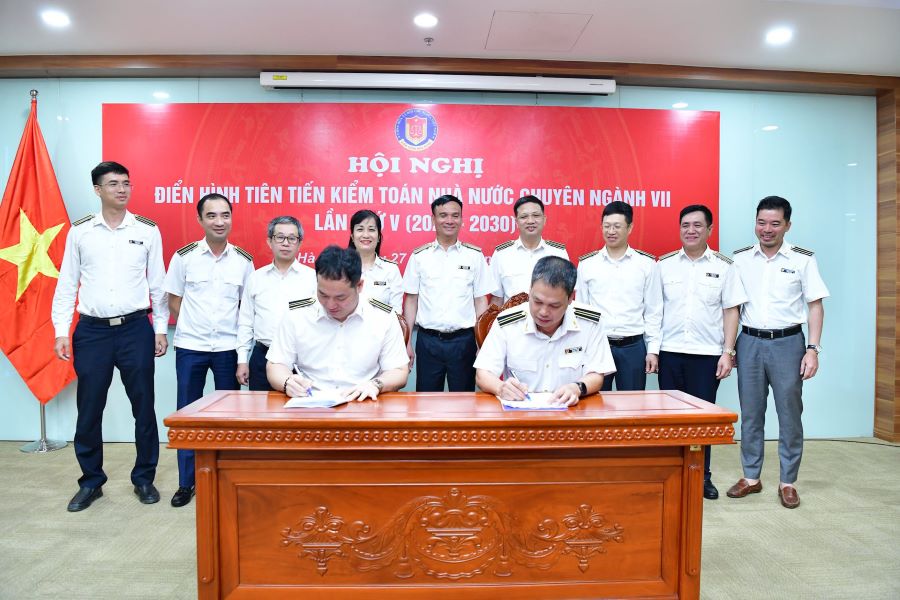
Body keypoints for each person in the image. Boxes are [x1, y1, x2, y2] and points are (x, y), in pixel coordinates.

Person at [51, 161, 169, 512]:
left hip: (136, 329)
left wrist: (160, 328)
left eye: (126, 183)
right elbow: (66, 284)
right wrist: (61, 331)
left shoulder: (147, 230)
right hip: (92, 332)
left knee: (143, 407)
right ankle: (91, 482)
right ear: (97, 190)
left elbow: (158, 284)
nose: (122, 189)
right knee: (89, 409)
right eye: (114, 183)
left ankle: (143, 478)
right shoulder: (81, 232)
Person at [726, 196, 829, 509]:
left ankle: (788, 482)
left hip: (788, 344)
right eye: (761, 222)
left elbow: (815, 306)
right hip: (749, 342)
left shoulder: (803, 260)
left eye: (774, 223)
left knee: (789, 414)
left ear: (787, 225)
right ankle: (751, 477)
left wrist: (812, 349)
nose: (766, 229)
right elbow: (733, 308)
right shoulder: (740, 259)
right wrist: (728, 349)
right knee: (751, 413)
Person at [164, 193, 254, 507]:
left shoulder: (243, 261)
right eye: (212, 215)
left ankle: (226, 479)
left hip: (228, 347)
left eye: (225, 215)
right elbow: (173, 299)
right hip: (191, 346)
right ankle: (186, 482)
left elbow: (247, 309)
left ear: (231, 218)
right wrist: (194, 325)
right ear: (200, 219)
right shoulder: (184, 257)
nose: (219, 221)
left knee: (229, 416)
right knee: (188, 414)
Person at [656, 204, 747, 500]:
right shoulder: (664, 265)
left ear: (709, 230)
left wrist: (727, 352)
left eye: (697, 225)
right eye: (685, 225)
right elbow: (655, 311)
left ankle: (701, 477)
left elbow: (731, 311)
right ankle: (672, 475)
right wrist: (654, 350)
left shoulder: (725, 266)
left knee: (703, 420)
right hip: (670, 352)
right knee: (670, 418)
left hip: (707, 355)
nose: (691, 230)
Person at [266, 245, 409, 399]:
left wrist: (375, 385)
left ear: (359, 286)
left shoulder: (382, 316)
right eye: (323, 295)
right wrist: (287, 382)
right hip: (310, 401)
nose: (330, 305)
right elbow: (276, 364)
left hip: (362, 401)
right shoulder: (297, 314)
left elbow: (398, 370)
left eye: (340, 298)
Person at [475, 256, 615, 406]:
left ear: (570, 298)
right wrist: (500, 387)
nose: (543, 312)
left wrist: (577, 388)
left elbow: (596, 374)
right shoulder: (507, 323)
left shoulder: (590, 323)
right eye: (537, 302)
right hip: (521, 413)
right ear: (530, 289)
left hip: (571, 411)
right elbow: (483, 374)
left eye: (554, 306)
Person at [402, 195, 494, 392]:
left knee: (464, 401)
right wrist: (407, 342)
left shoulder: (474, 256)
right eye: (443, 215)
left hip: (464, 341)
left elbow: (481, 302)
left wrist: (482, 344)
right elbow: (411, 301)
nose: (450, 220)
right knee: (426, 400)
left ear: (461, 219)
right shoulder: (419, 257)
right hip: (428, 341)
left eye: (455, 215)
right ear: (433, 219)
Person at [576, 201, 662, 391]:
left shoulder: (646, 264)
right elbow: (581, 310)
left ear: (630, 228)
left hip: (633, 347)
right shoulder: (587, 264)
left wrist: (653, 350)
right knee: (595, 402)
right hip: (598, 346)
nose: (611, 231)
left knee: (633, 405)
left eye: (617, 226)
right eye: (606, 226)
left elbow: (653, 311)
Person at [236, 216, 316, 391]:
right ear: (269, 242)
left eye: (292, 238)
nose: (285, 243)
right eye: (280, 237)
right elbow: (245, 322)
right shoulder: (256, 278)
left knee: (301, 406)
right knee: (260, 407)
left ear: (299, 243)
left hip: (301, 359)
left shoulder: (313, 278)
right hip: (262, 356)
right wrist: (242, 360)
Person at [490, 195, 569, 305]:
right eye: (524, 217)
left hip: (548, 315)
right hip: (512, 316)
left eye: (536, 215)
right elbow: (496, 299)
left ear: (544, 219)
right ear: (516, 222)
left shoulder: (559, 253)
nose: (530, 221)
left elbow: (566, 297)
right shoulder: (501, 254)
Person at [347, 209, 403, 312]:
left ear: (378, 237)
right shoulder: (340, 269)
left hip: (382, 323)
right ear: (352, 237)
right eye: (360, 229)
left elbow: (396, 313)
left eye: (371, 229)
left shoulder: (391, 270)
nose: (366, 235)